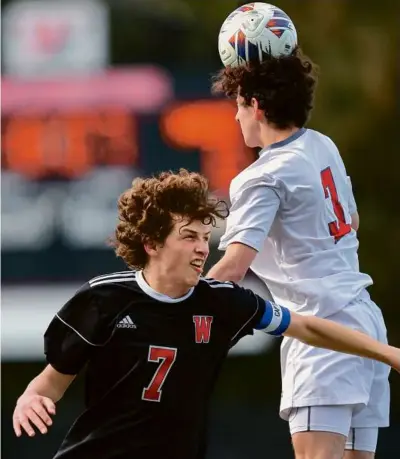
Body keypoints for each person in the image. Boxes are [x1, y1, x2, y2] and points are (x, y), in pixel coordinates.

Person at [13, 170, 397, 459]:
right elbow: (50, 382)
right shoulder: (104, 299)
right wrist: (30, 398)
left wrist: (389, 353)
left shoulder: (222, 303)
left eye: (204, 237)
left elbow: (308, 326)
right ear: (151, 242)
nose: (202, 249)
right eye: (188, 237)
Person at [207, 49, 390, 459]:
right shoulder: (322, 145)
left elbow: (233, 268)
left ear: (255, 105)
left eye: (238, 106)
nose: (236, 118)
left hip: (322, 334)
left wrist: (174, 302)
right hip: (364, 321)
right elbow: (352, 221)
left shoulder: (262, 176)